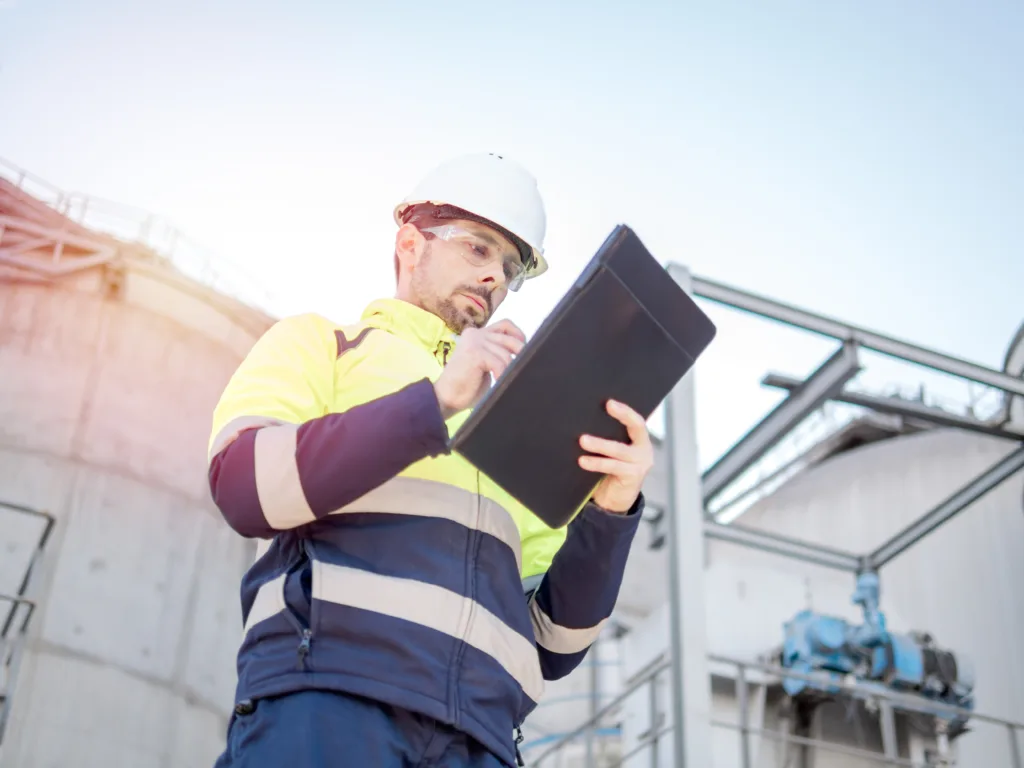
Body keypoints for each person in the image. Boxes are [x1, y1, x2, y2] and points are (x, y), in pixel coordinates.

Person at [206, 153, 653, 767]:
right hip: (330, 703)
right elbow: (245, 486)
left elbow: (554, 644)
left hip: (480, 742)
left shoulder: (521, 422)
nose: (495, 276)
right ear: (411, 245)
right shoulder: (321, 345)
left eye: (510, 266)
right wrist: (435, 402)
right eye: (477, 248)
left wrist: (611, 508)